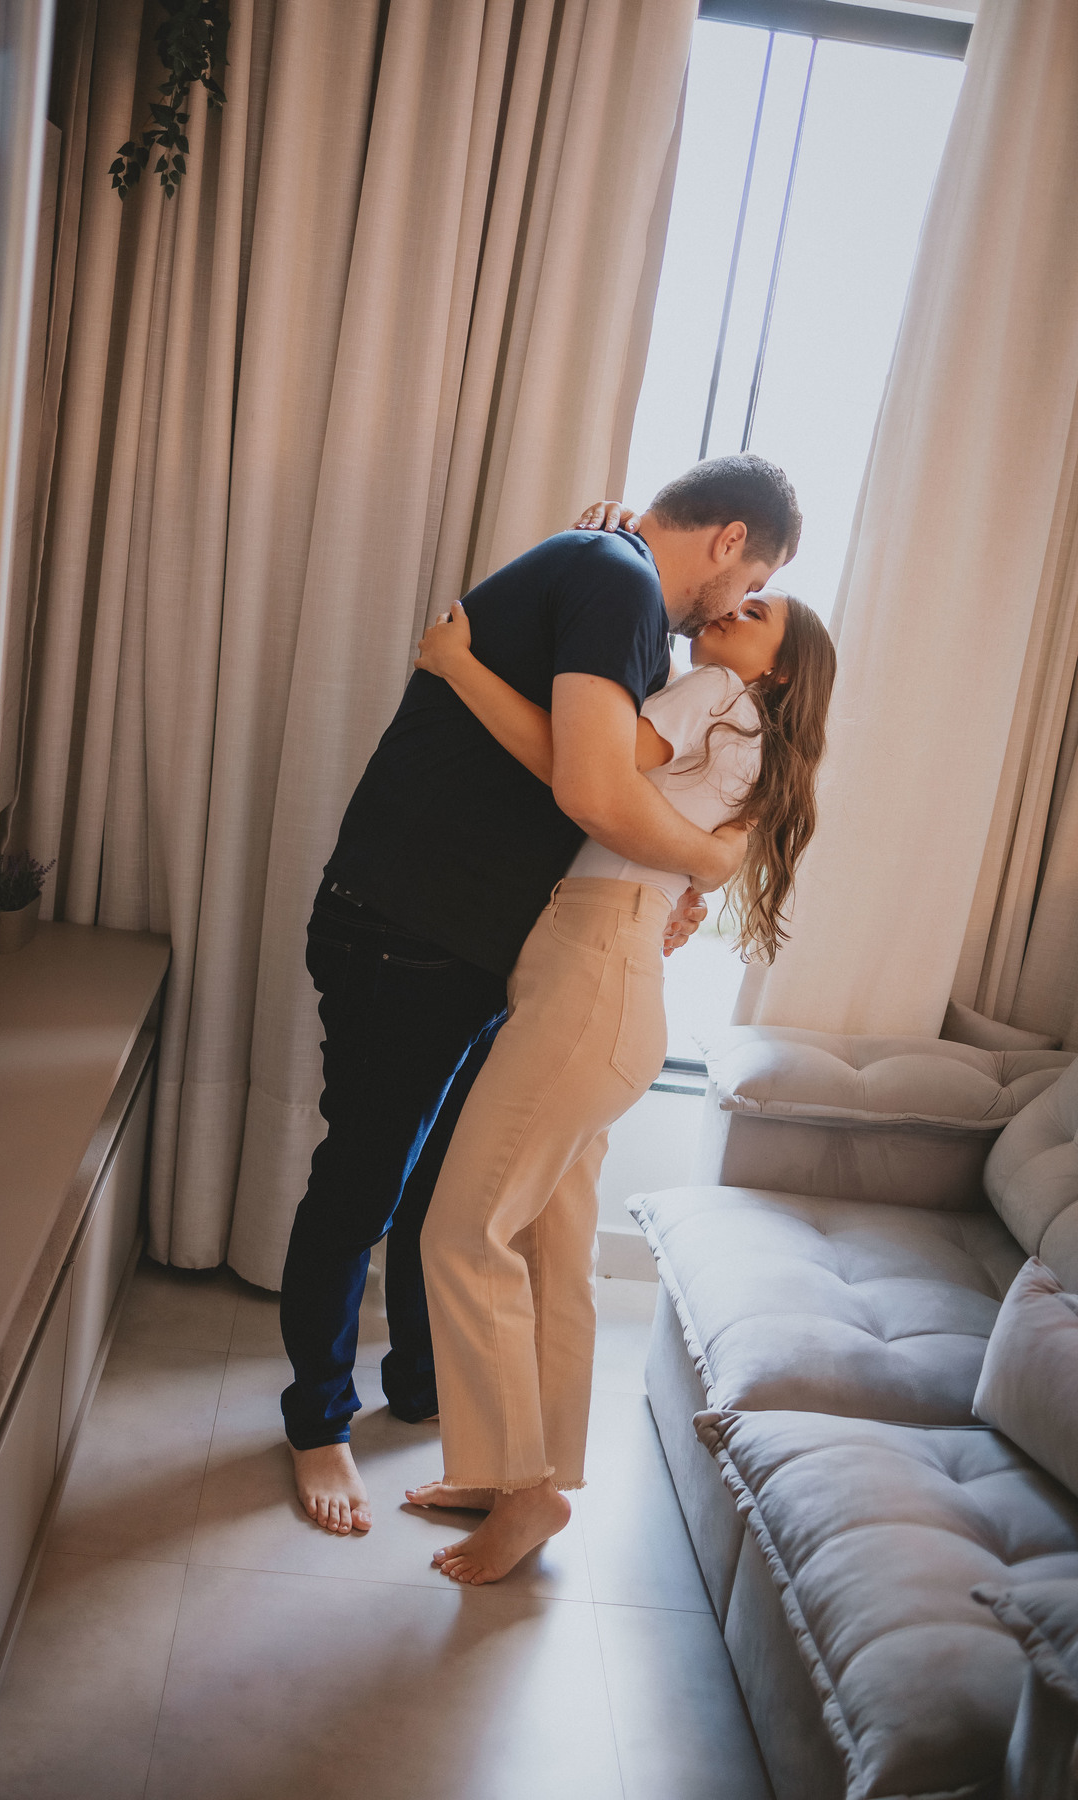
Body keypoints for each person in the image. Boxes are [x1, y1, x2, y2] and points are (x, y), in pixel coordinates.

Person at [279, 455, 802, 1536]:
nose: (737, 606)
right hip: (409, 927)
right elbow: (591, 786)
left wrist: (692, 870)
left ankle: (429, 1395)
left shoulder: (637, 609)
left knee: (445, 1189)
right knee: (371, 1179)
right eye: (754, 581)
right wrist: (708, 861)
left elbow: (598, 772)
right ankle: (317, 1421)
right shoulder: (618, 581)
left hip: (490, 947)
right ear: (727, 542)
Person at [407, 583, 836, 1582]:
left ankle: (523, 1489)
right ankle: (519, 1476)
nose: (737, 608)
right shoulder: (748, 733)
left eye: (759, 611)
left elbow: (585, 765)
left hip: (590, 982)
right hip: (609, 986)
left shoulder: (716, 694)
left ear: (779, 668)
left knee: (463, 1233)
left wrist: (457, 665)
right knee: (550, 1246)